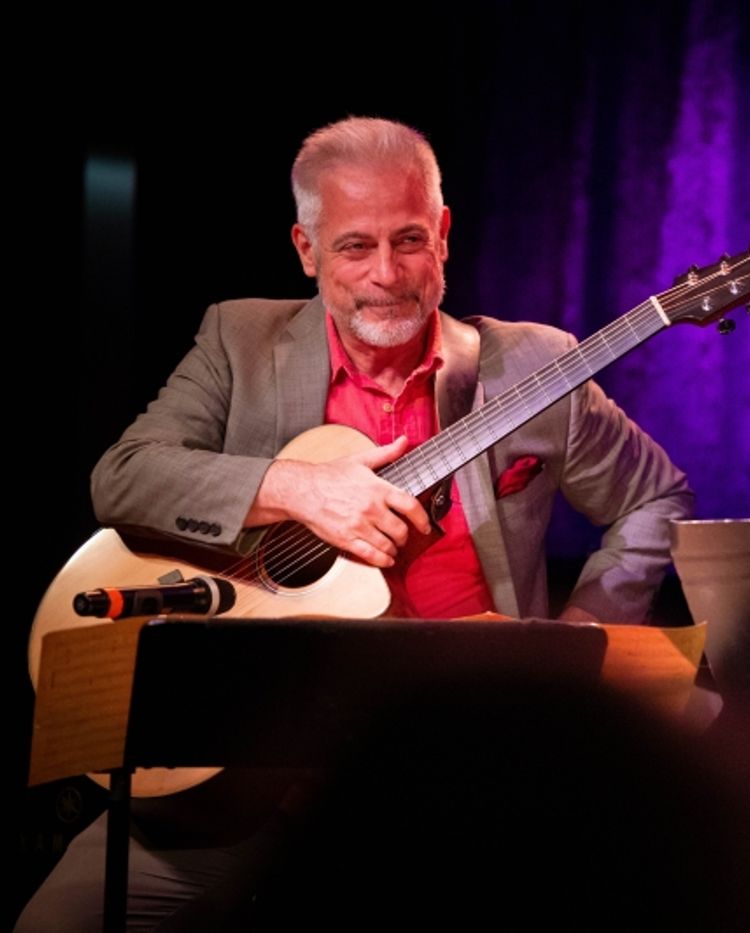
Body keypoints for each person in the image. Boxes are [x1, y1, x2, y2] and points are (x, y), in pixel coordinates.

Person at [18, 116, 694, 931]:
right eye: (353, 246)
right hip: (241, 772)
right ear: (305, 249)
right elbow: (123, 477)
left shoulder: (533, 365)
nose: (387, 275)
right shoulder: (239, 339)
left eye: (409, 240)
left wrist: (583, 633)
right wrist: (294, 488)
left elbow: (655, 497)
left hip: (465, 768)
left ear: (443, 235)